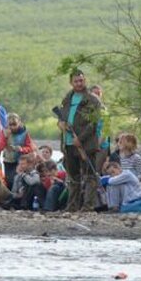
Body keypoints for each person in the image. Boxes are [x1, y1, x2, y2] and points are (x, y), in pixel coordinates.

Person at [57, 69, 102, 212]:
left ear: (85, 80)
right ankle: (72, 206)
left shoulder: (93, 100)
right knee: (73, 177)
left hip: (86, 145)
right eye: (76, 81)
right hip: (68, 143)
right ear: (71, 82)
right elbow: (61, 118)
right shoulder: (67, 98)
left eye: (81, 80)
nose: (79, 83)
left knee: (89, 176)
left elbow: (93, 124)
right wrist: (61, 124)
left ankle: (88, 206)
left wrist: (80, 139)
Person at [0, 112, 36, 190]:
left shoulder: (24, 133)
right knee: (9, 181)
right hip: (8, 161)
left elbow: (30, 147)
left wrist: (21, 149)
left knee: (19, 180)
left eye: (14, 124)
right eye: (10, 125)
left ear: (19, 122)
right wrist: (5, 137)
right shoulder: (4, 132)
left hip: (21, 161)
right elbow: (0, 147)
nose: (12, 127)